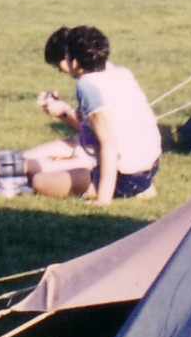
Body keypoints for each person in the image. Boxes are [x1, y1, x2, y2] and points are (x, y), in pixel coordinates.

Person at [26, 25, 160, 206]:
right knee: (25, 161)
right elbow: (98, 130)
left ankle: (127, 191)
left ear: (73, 61)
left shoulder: (87, 85)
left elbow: (108, 144)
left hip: (127, 175)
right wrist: (65, 112)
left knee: (40, 181)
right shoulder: (119, 72)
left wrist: (103, 199)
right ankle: (81, 170)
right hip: (147, 164)